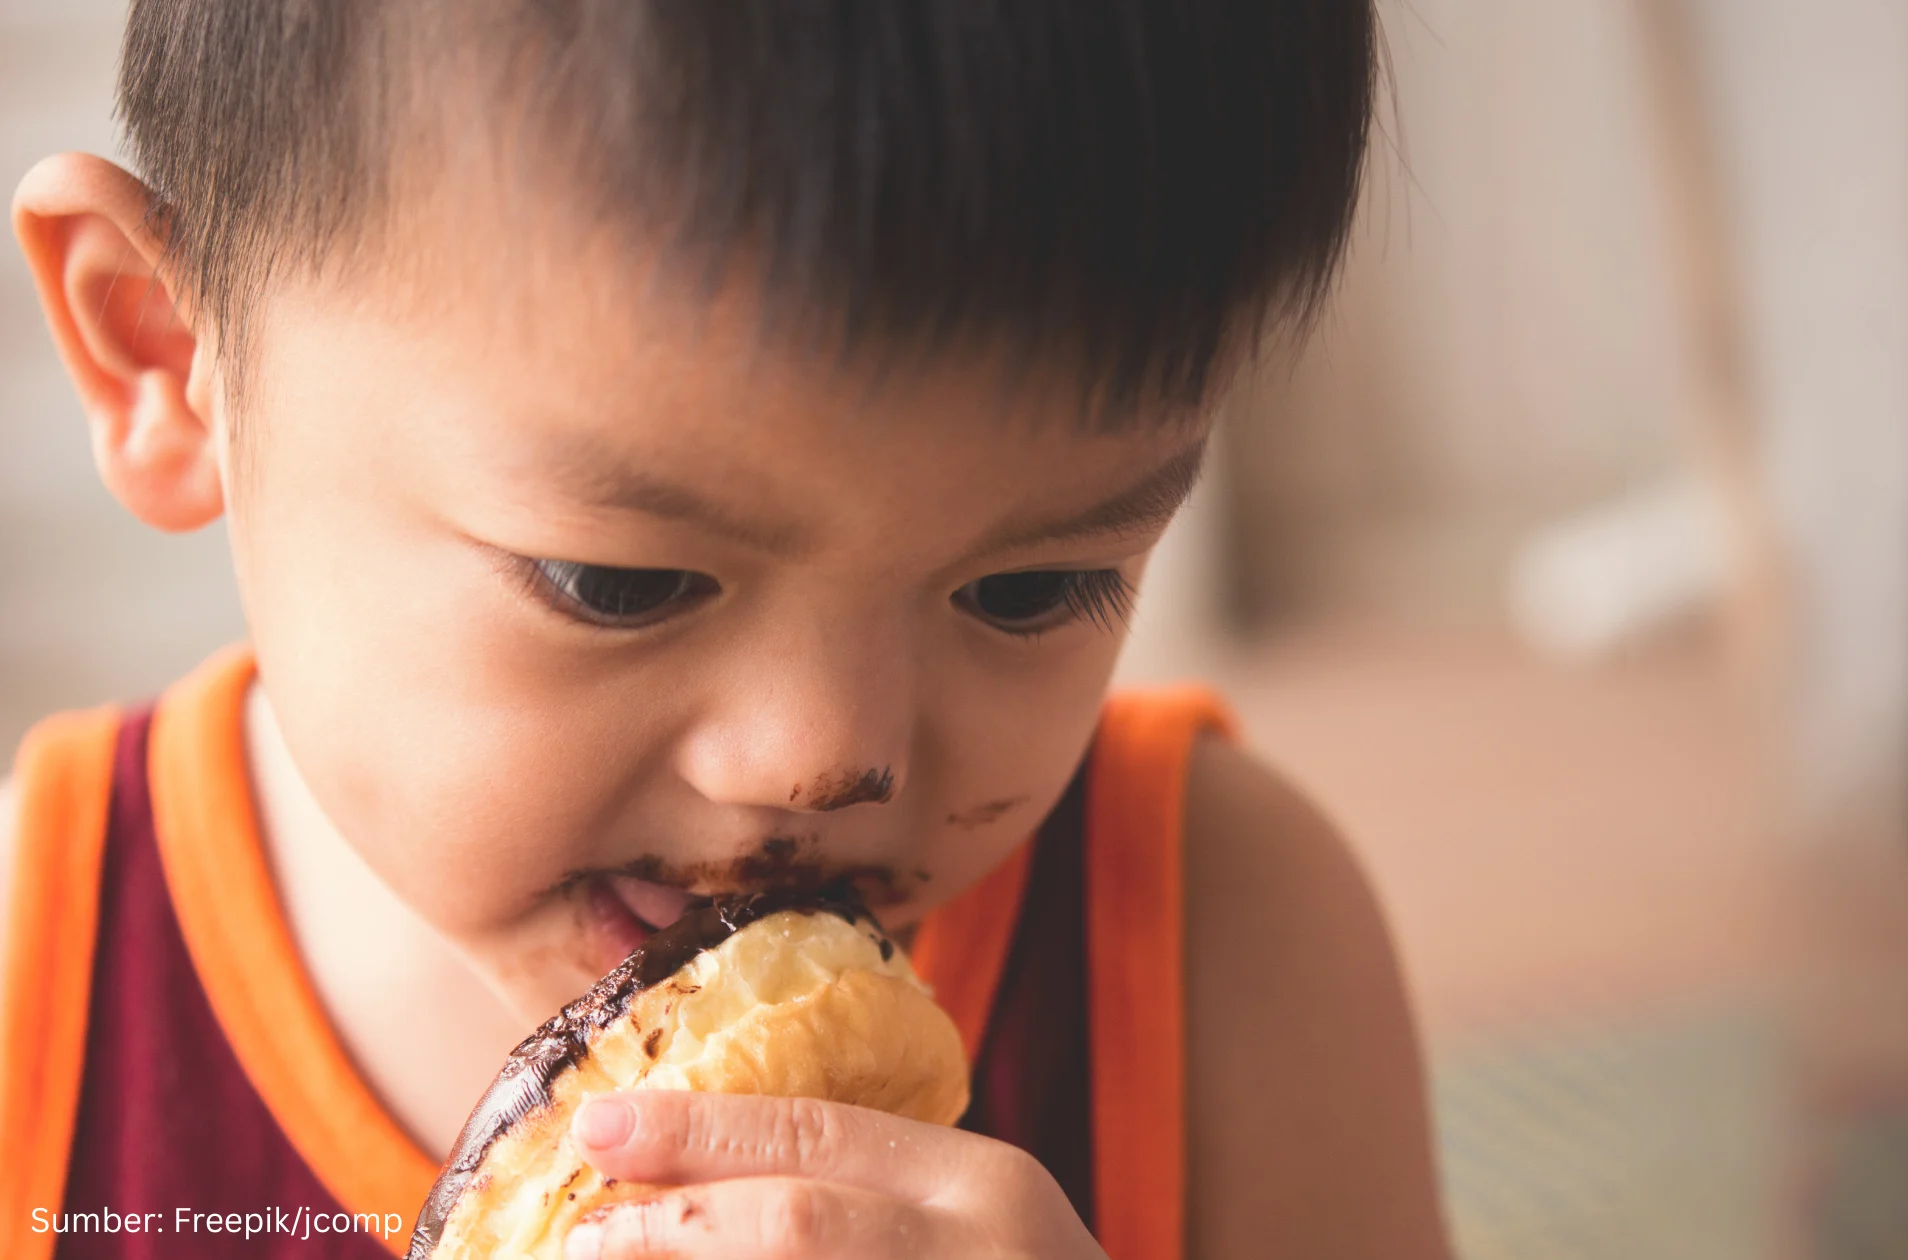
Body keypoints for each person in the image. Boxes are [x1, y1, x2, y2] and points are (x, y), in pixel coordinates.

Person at [0, 3, 1450, 1258]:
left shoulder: (1222, 953)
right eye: (617, 583)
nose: (824, 763)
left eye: (1028, 589)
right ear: (168, 360)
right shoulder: (36, 987)